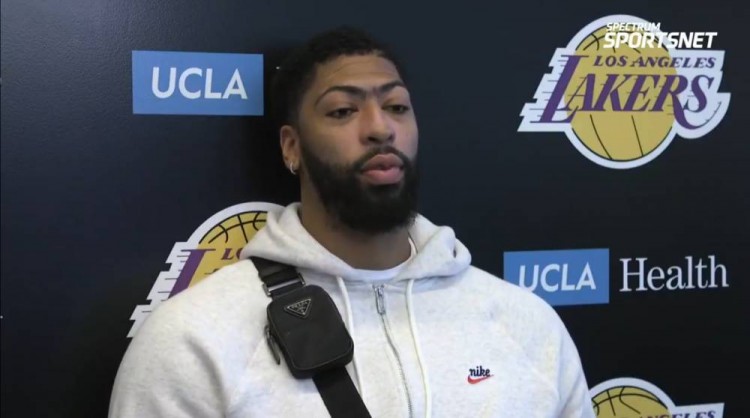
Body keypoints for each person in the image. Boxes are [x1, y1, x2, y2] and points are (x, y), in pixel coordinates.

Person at [109, 26, 596, 418]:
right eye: (343, 110)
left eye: (397, 107)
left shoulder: (524, 323)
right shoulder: (195, 340)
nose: (381, 127)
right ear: (291, 147)